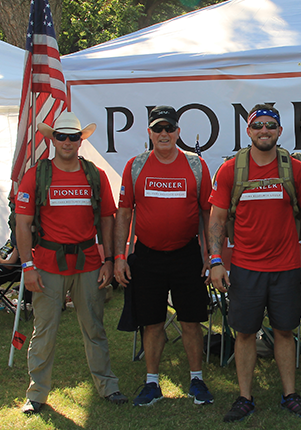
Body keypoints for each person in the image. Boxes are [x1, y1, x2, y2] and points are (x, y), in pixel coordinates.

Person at [208, 104, 301, 422]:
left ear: (279, 131)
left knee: (285, 331)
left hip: (286, 267)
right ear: (248, 131)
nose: (264, 131)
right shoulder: (231, 169)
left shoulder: (295, 169)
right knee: (244, 334)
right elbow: (217, 218)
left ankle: (290, 395)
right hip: (246, 268)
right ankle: (245, 397)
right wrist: (215, 260)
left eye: (270, 126)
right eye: (258, 125)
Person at [15, 111, 127, 414]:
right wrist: (27, 267)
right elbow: (22, 224)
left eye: (73, 137)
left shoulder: (95, 175)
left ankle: (108, 386)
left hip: (89, 261)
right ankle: (36, 395)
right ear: (52, 139)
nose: (67, 142)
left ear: (80, 141)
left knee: (94, 327)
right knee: (45, 329)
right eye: (61, 136)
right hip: (47, 265)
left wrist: (107, 260)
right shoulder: (36, 175)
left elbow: (108, 218)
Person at [114, 105, 213, 407]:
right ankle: (152, 383)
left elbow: (207, 213)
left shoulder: (196, 166)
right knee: (152, 321)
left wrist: (211, 255)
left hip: (186, 255)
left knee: (191, 320)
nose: (164, 134)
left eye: (169, 128)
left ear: (178, 132)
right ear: (150, 133)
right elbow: (124, 213)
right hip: (147, 256)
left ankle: (196, 379)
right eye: (158, 129)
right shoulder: (135, 165)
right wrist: (120, 256)